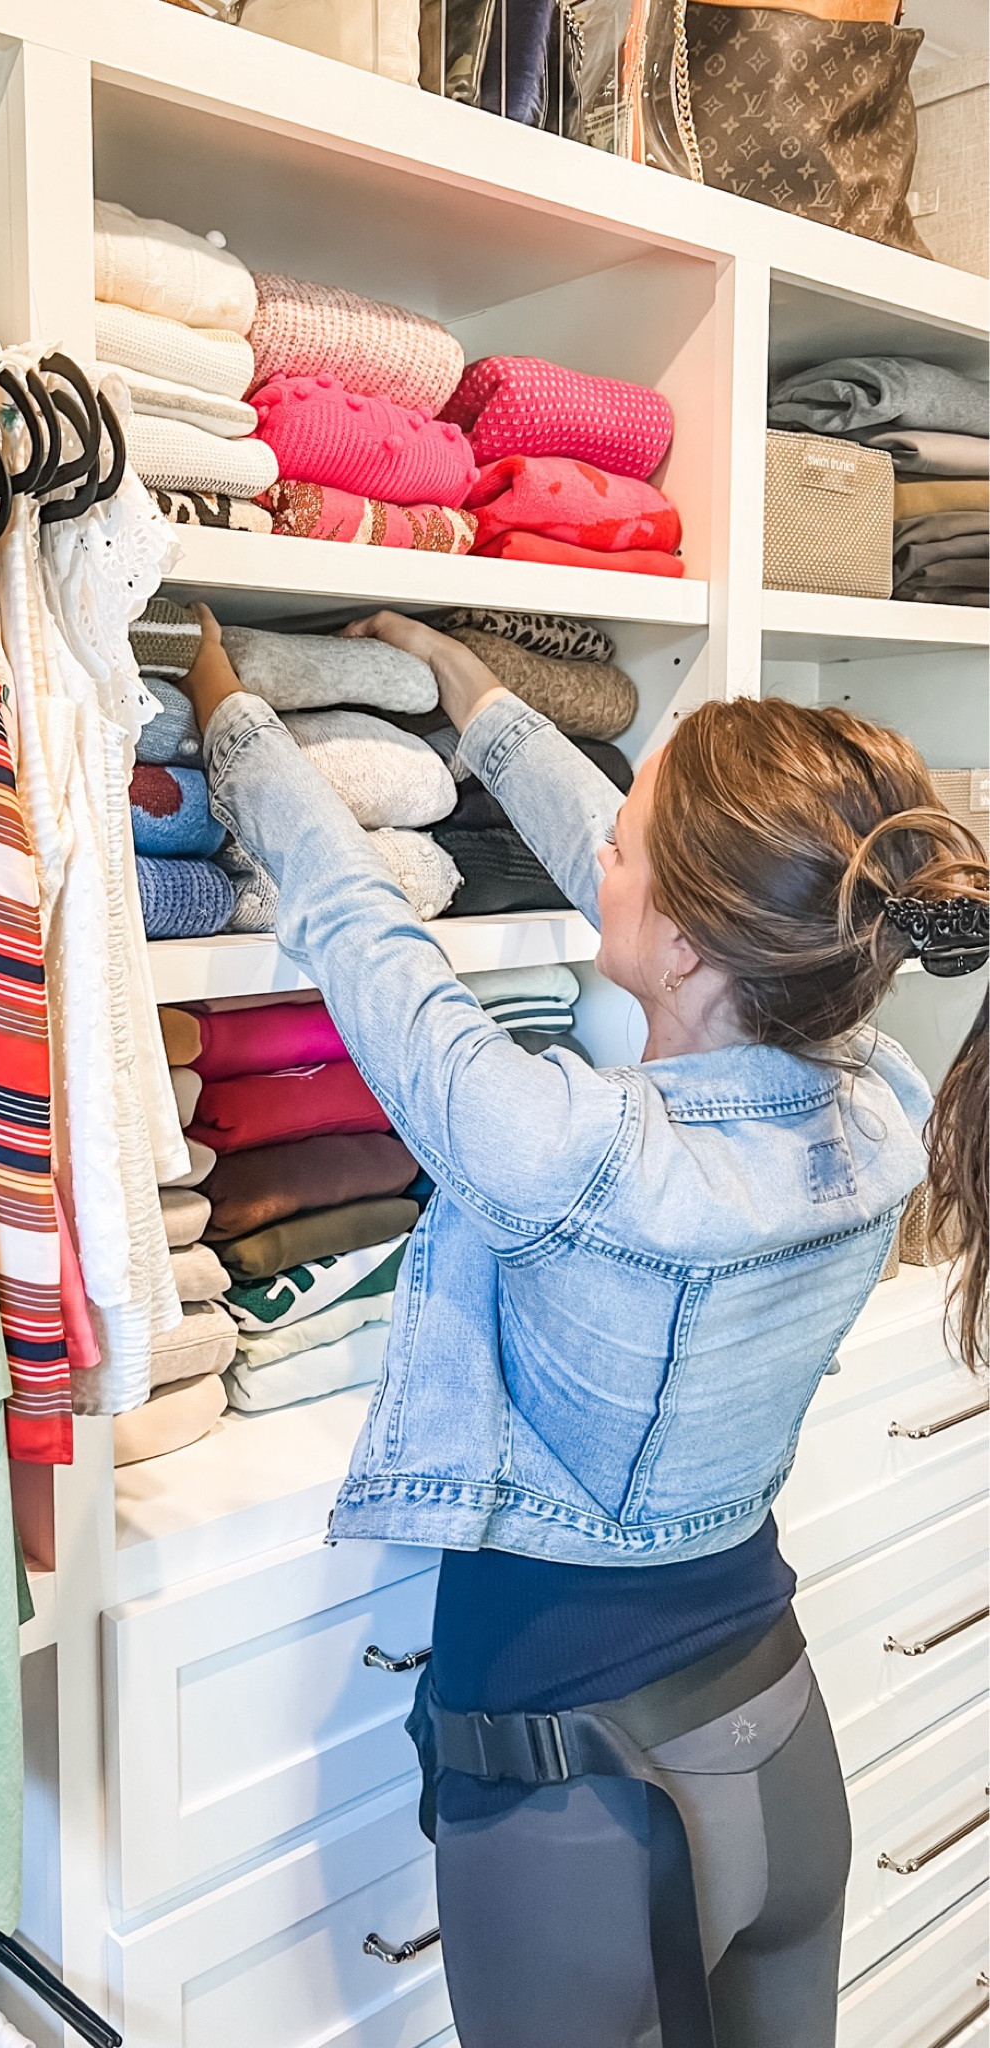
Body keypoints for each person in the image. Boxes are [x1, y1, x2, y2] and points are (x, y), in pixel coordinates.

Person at [179, 603, 988, 2048]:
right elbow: (644, 859)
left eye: (631, 845)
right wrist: (471, 692)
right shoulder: (875, 1115)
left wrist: (232, 714)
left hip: (574, 1798)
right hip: (781, 1750)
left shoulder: (563, 1145)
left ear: (685, 940)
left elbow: (365, 931)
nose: (603, 845)